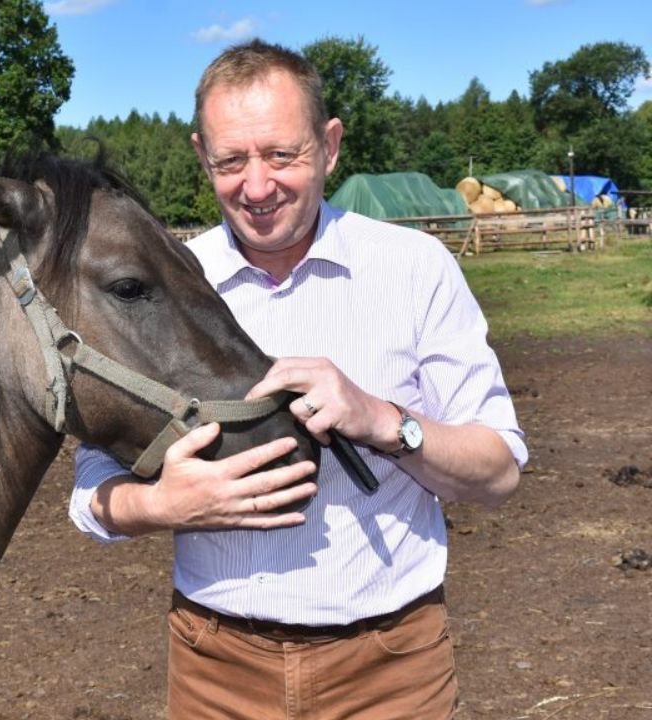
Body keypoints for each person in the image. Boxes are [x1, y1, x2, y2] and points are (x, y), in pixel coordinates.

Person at [69, 39, 527, 719]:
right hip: (215, 672)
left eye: (282, 155)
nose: (257, 187)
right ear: (201, 155)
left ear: (330, 145)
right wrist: (161, 506)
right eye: (230, 161)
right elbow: (89, 489)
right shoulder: (160, 285)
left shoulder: (415, 268)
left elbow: (497, 474)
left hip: (392, 671)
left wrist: (382, 421)